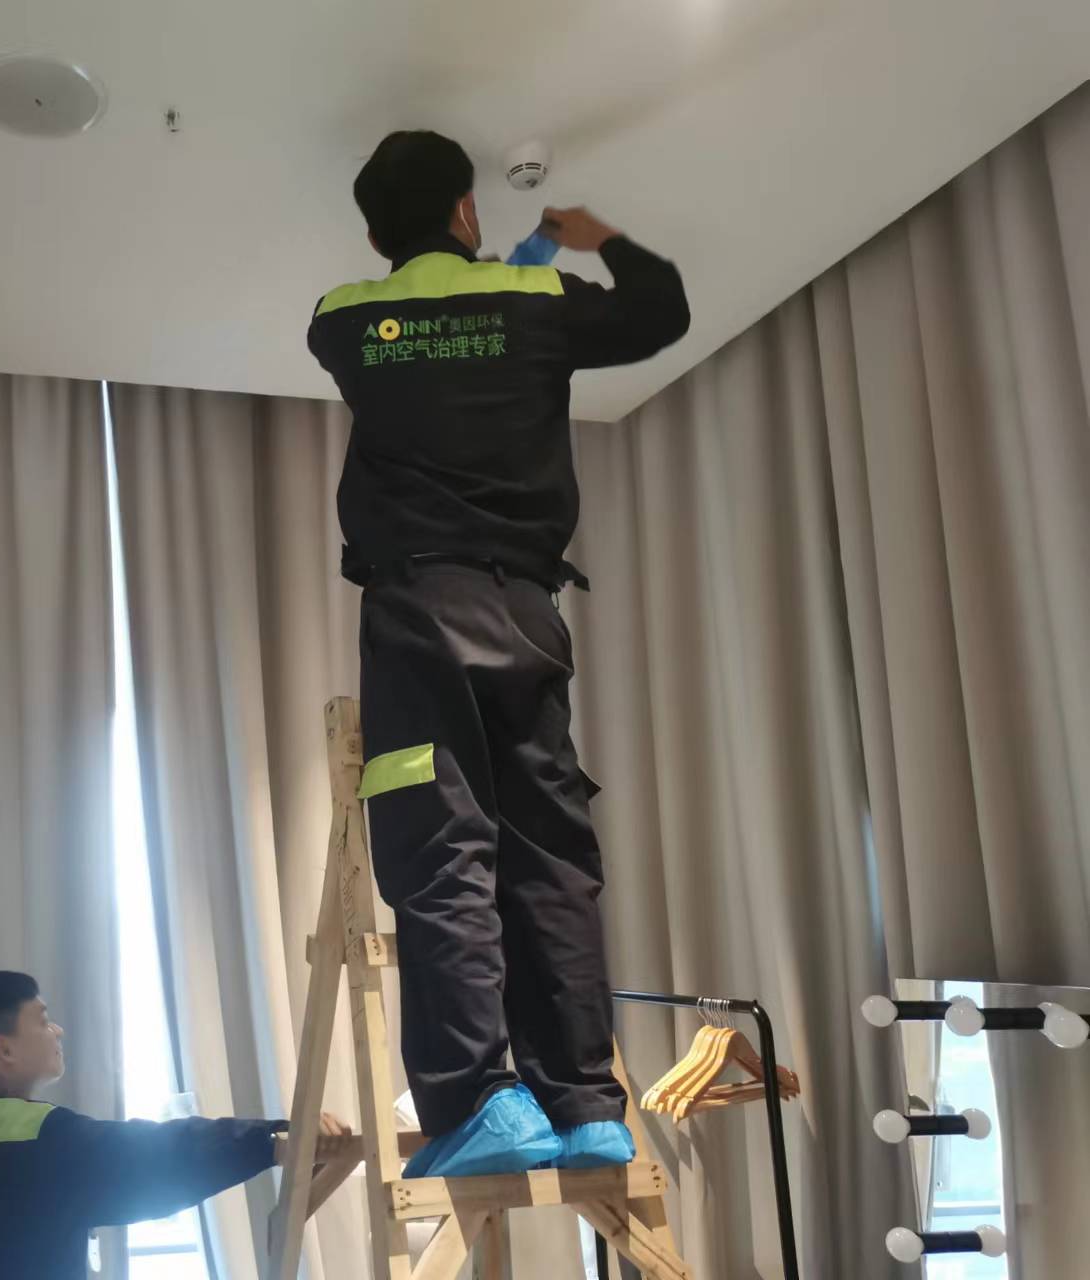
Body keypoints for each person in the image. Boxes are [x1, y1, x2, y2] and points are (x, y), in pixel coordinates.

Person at [307, 130, 689, 1178]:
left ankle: (480, 1099)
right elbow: (661, 311)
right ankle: (585, 1103)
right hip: (527, 614)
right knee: (549, 854)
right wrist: (590, 237)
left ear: (374, 236)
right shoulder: (538, 303)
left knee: (441, 850)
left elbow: (430, 333)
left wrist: (485, 281)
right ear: (467, 211)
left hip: (417, 612)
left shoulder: (343, 318)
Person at [0, 971, 346, 1278]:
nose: (57, 1030)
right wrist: (273, 1141)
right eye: (42, 1020)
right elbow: (158, 1155)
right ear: (5, 1048)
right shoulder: (42, 1140)